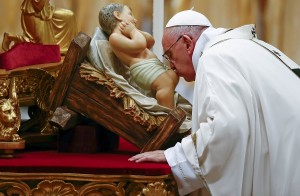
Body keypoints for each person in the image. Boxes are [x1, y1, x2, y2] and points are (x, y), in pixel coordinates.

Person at [129, 9, 300, 196]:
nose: (171, 66)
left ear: (187, 43)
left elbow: (227, 126)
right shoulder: (241, 47)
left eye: (169, 55)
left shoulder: (214, 57)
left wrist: (176, 156)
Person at [98, 3, 179, 109]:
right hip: (143, 68)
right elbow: (140, 45)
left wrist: (134, 30)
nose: (135, 19)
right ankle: (168, 112)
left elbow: (150, 41)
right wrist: (133, 30)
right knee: (166, 83)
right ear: (118, 15)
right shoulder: (114, 37)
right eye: (130, 14)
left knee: (173, 75)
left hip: (154, 66)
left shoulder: (130, 34)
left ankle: (166, 101)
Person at [2, 0, 77, 54]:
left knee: (69, 16)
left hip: (46, 11)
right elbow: (38, 5)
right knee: (38, 44)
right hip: (34, 13)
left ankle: (66, 48)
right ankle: (10, 37)